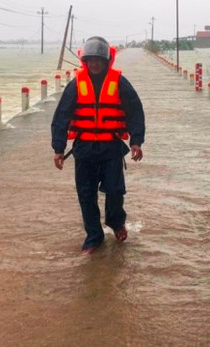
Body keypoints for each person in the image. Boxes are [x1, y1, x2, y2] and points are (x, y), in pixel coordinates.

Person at [51, 36, 145, 255]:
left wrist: (136, 142)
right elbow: (61, 117)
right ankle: (94, 237)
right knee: (86, 194)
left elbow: (135, 112)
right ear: (85, 61)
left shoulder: (119, 82)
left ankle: (116, 222)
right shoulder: (76, 84)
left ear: (106, 60)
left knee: (115, 190)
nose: (94, 64)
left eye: (98, 60)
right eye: (90, 60)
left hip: (111, 147)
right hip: (84, 148)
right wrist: (58, 148)